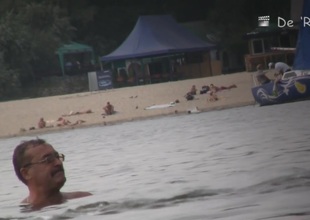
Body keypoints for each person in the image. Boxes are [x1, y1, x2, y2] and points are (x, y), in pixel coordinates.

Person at [12, 138, 92, 210]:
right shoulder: (22, 213)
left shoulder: (84, 199)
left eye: (57, 157)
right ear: (26, 173)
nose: (58, 163)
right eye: (48, 159)